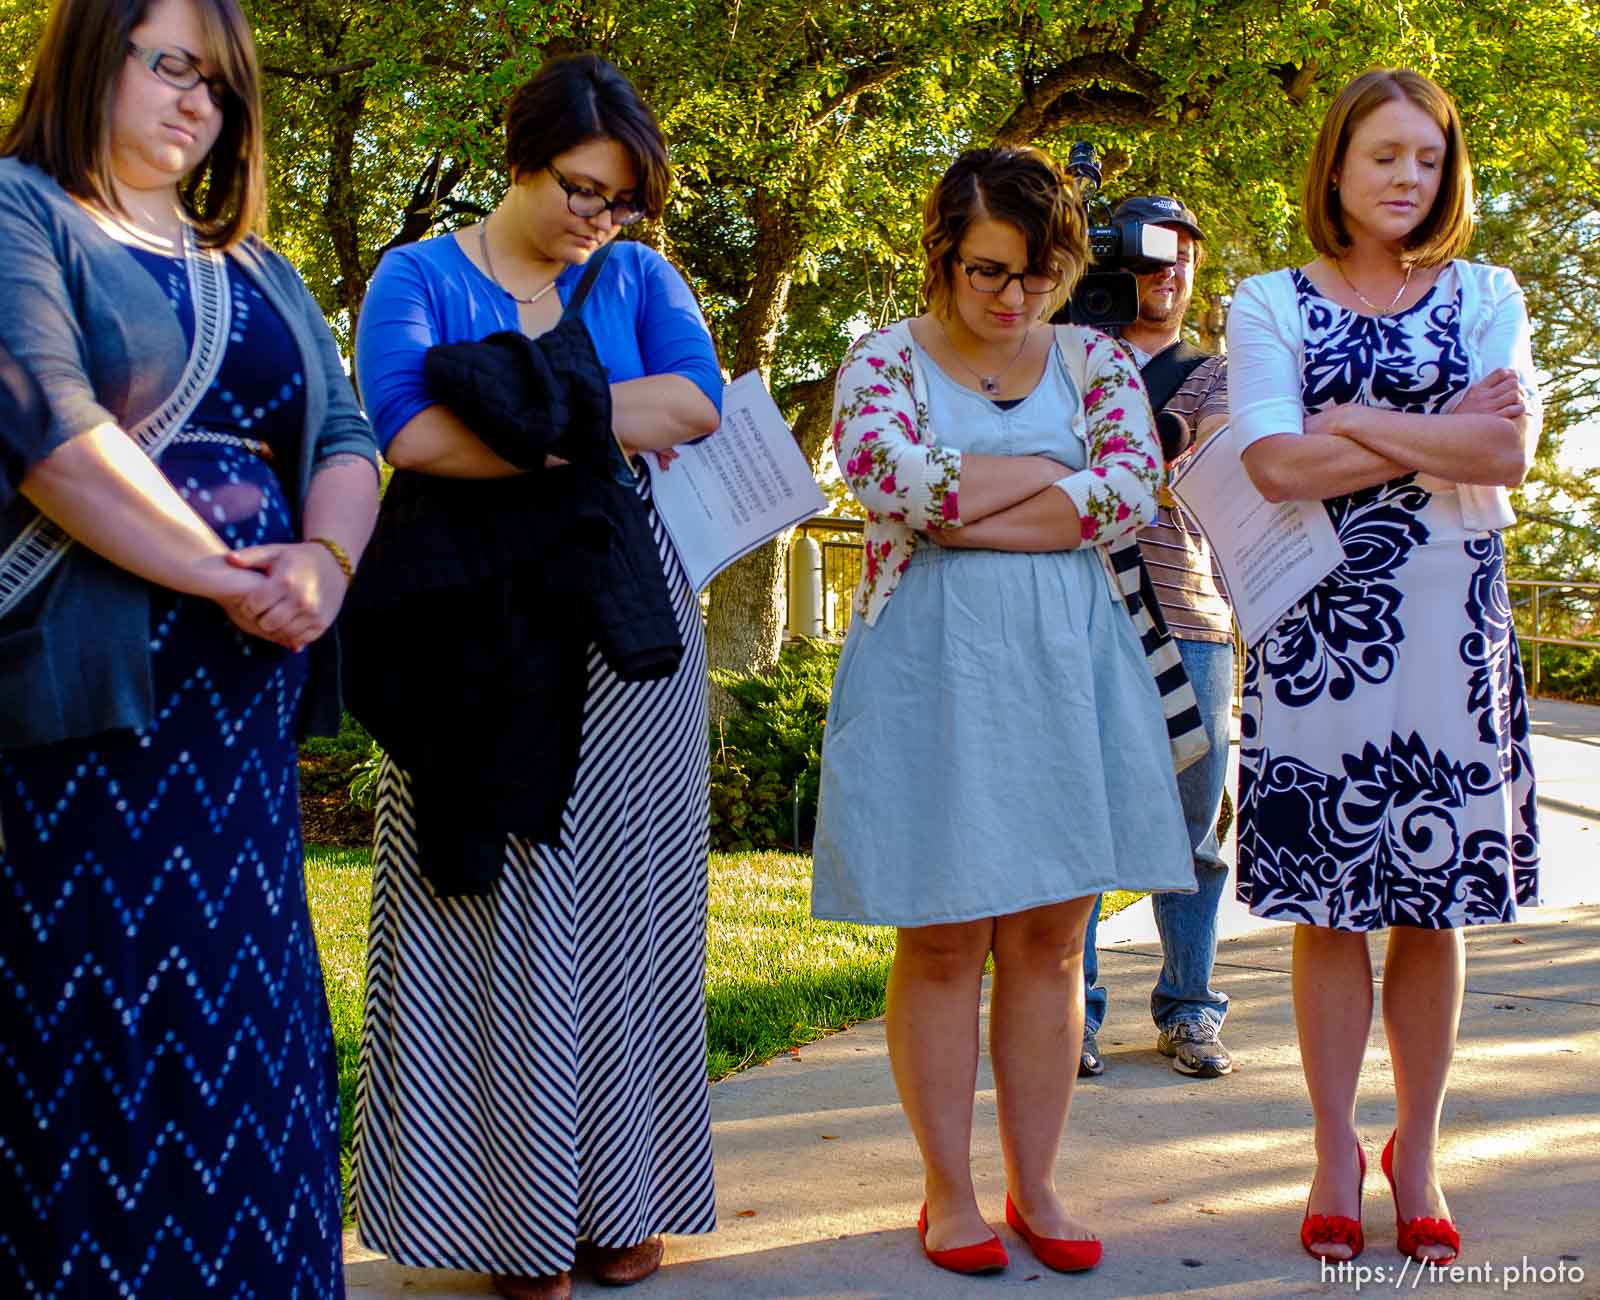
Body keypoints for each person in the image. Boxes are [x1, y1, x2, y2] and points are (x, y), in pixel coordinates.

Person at [0, 0, 381, 1292]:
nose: (193, 104)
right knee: (98, 1046)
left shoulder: (257, 269)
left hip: (238, 720)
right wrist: (228, 575)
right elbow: (52, 437)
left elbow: (343, 439)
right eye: (167, 66)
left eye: (216, 86)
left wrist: (320, 568)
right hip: (93, 717)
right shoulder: (20, 214)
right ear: (89, 56)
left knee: (252, 1042)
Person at [349, 54, 723, 1300]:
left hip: (624, 634)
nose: (596, 220)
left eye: (618, 201)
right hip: (464, 627)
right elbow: (406, 431)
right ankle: (506, 1219)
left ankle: (622, 1200)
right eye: (579, 188)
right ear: (519, 157)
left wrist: (521, 406)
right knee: (484, 912)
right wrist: (584, 419)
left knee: (624, 915)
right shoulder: (417, 273)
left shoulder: (637, 275)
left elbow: (696, 407)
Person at [811, 146, 1199, 1279]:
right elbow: (885, 478)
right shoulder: (882, 358)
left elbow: (1132, 493)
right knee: (939, 935)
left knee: (1048, 932)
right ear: (940, 255)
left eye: (1035, 275)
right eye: (987, 271)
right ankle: (948, 1190)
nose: (1011, 298)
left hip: (1068, 667)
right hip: (930, 668)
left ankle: (1038, 1180)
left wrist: (965, 497)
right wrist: (1054, 484)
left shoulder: (1091, 359)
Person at [1227, 68, 1539, 1266]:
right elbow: (1265, 467)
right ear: (1336, 170)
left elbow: (1505, 448)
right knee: (1328, 910)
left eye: (1426, 157)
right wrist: (1426, 427)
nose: (1407, 179)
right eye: (1382, 157)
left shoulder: (1488, 293)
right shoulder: (1266, 300)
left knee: (1431, 905)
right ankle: (1327, 1145)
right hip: (1317, 634)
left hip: (1448, 634)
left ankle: (1416, 1150)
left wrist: (1344, 422)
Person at [1078, 195, 1237, 1081]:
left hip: (1193, 618)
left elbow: (1199, 454)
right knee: (1084, 827)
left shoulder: (1215, 373)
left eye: (1180, 260)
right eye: (1146, 259)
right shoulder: (1067, 357)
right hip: (1082, 609)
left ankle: (1190, 1008)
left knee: (1194, 833)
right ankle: (1077, 1014)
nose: (1165, 276)